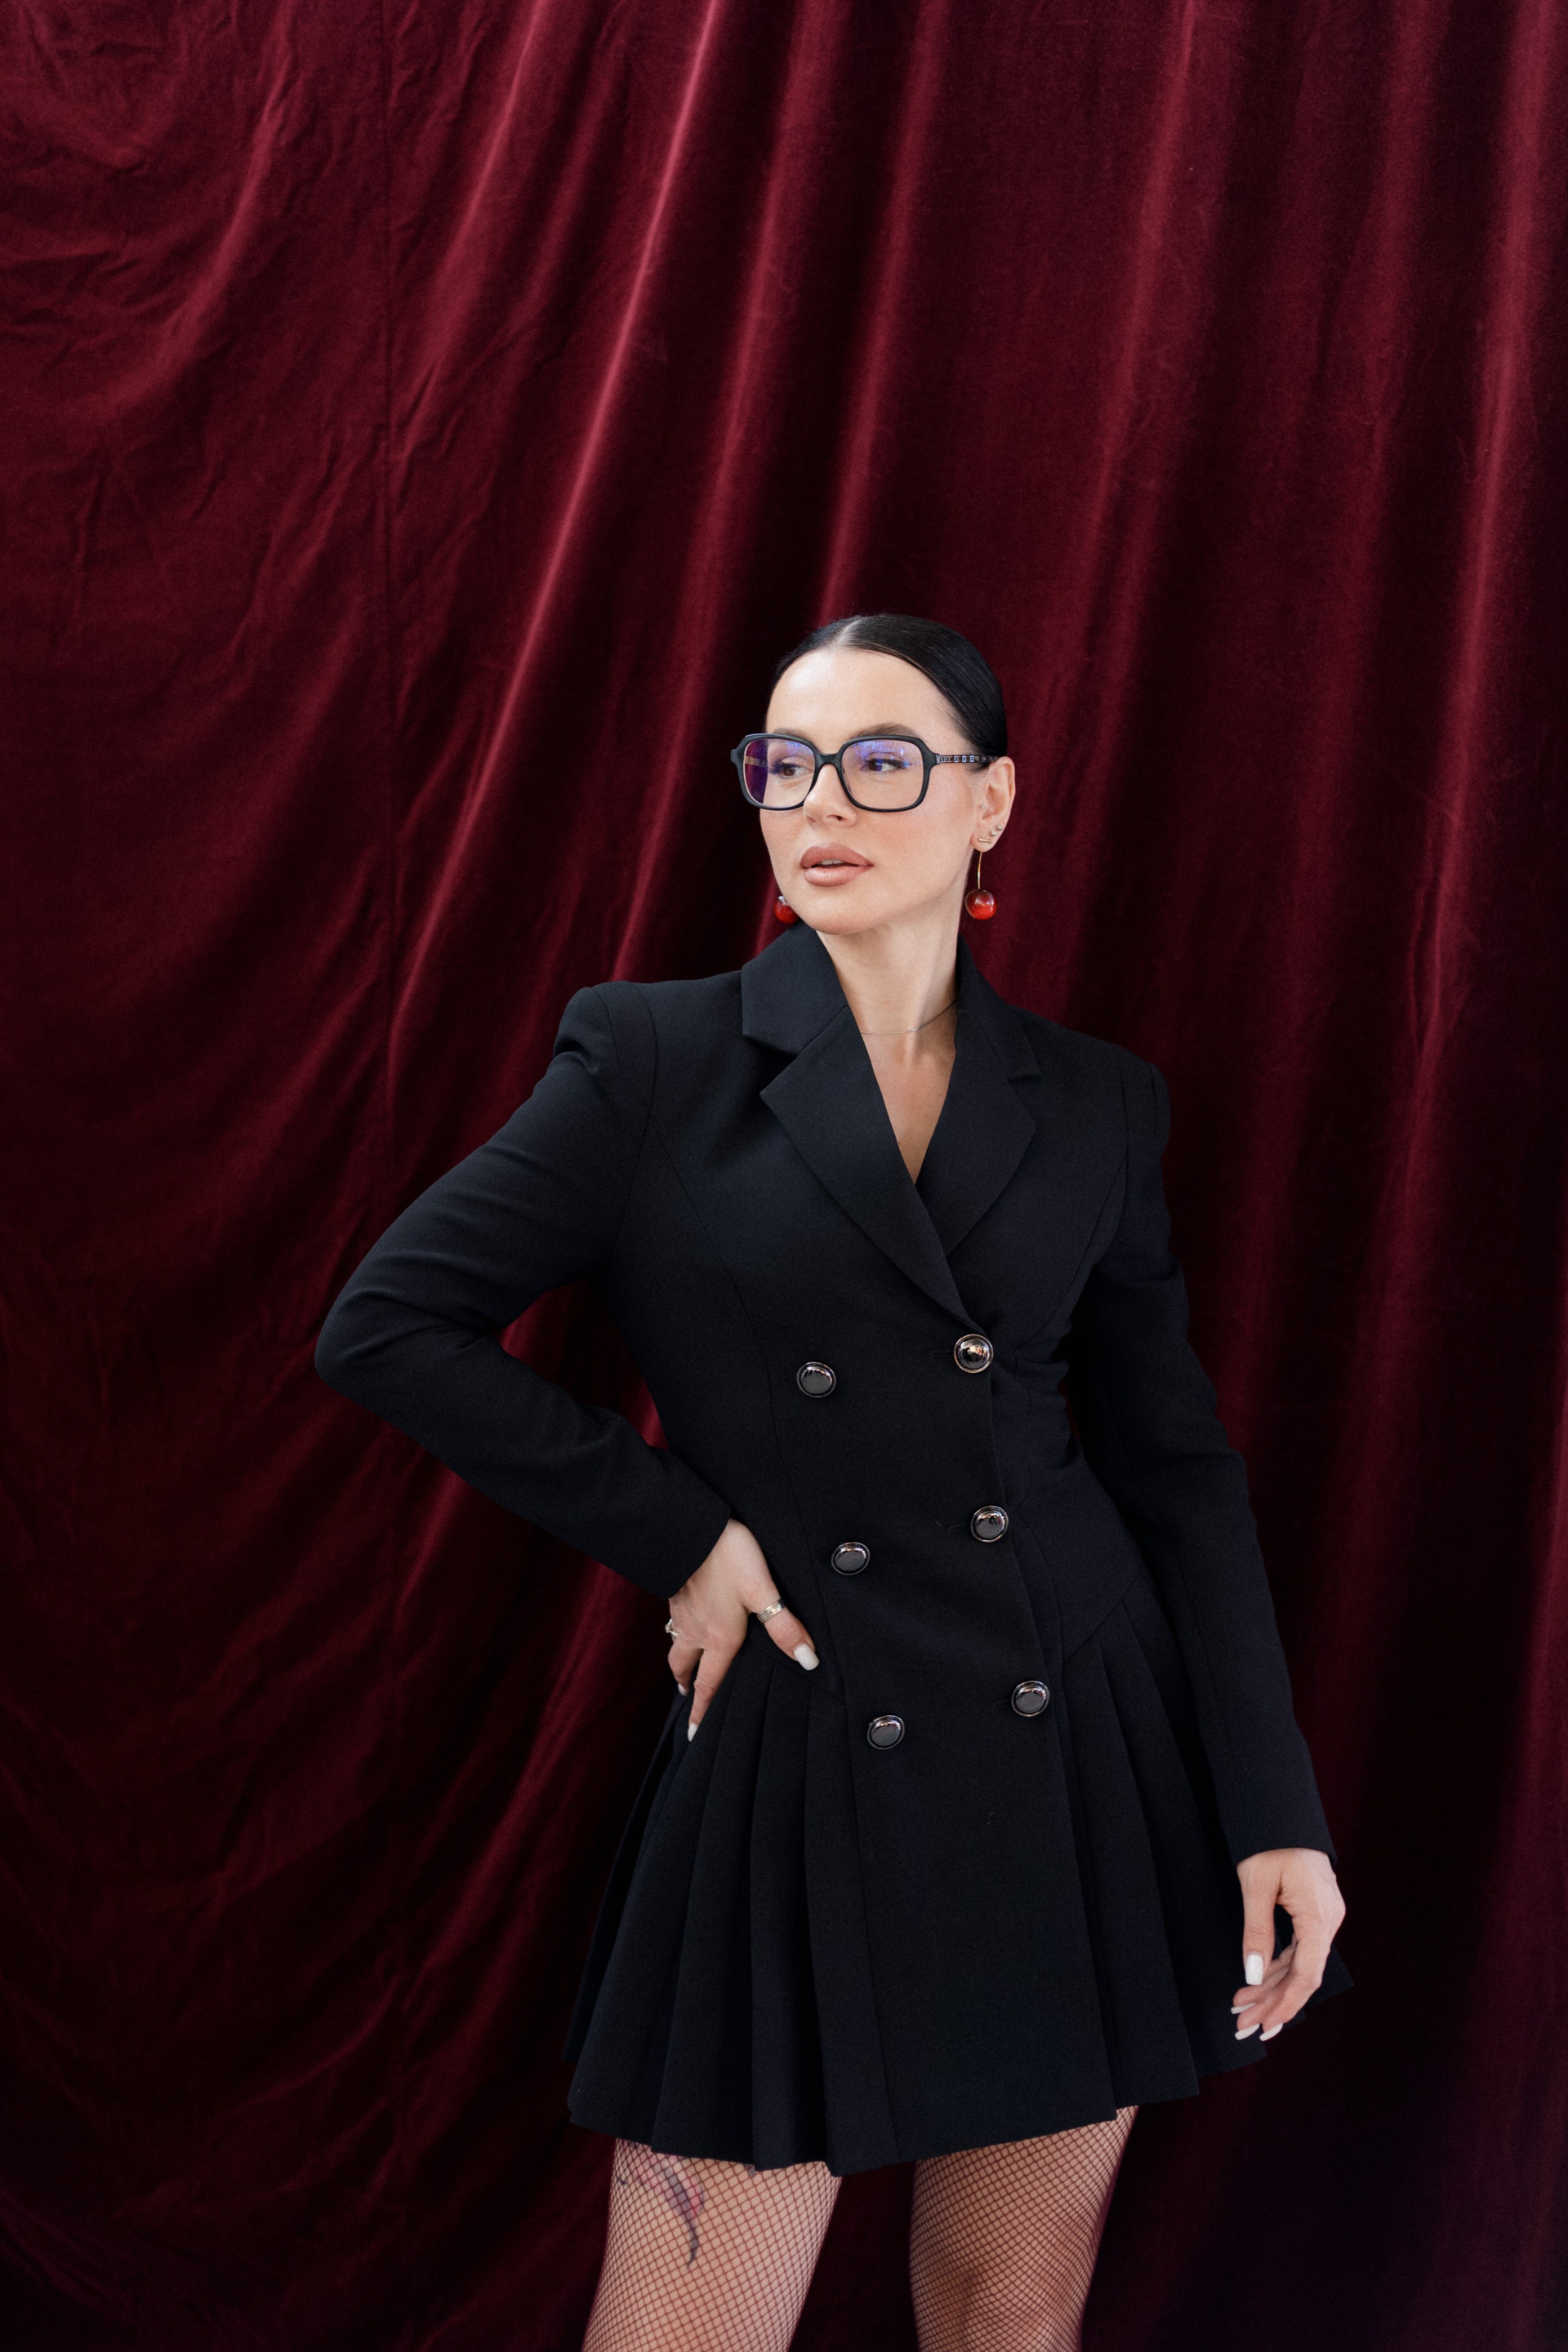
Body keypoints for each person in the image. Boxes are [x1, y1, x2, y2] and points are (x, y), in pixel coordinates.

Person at [314, 612, 1351, 2350]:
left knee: (1010, 2306)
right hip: (799, 1730)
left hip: (1073, 1731)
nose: (821, 803)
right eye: (785, 765)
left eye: (881, 762)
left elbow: (1176, 1467)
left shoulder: (1098, 1104)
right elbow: (388, 1325)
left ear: (990, 801)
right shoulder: (652, 1060)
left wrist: (1273, 1803)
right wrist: (685, 1534)